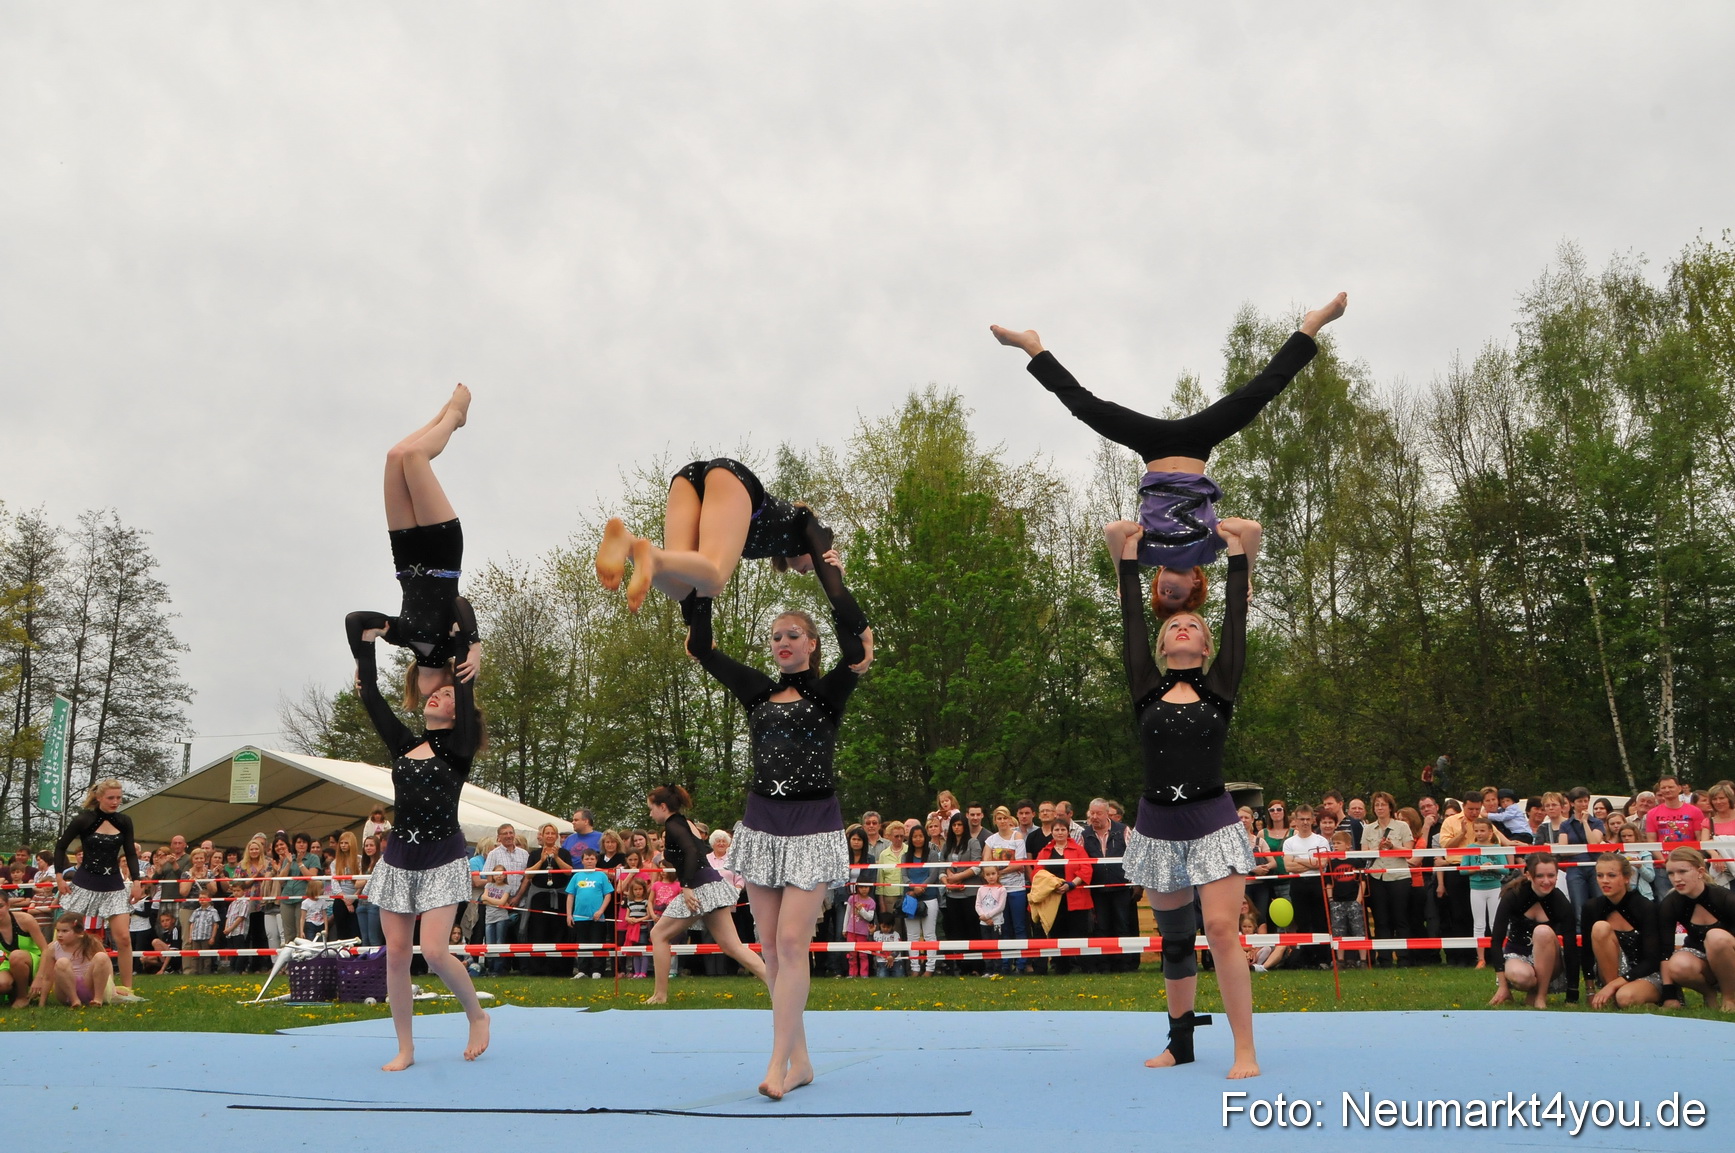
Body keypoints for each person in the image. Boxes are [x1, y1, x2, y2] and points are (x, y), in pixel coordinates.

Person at [991, 294, 1343, 614]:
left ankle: (1032, 347)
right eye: (1176, 595)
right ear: (1195, 584)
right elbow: (1250, 528)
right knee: (1262, 390)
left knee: (1084, 405)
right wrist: (1244, 576)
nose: (1167, 588)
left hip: (1152, 447)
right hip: (1197, 443)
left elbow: (1115, 529)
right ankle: (1310, 327)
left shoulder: (1146, 552)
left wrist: (1122, 575)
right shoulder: (1210, 548)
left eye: (1161, 593)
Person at [686, 548, 872, 1100]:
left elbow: (859, 643)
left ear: (812, 644)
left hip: (813, 826)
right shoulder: (758, 692)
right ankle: (804, 1061)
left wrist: (827, 573)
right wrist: (701, 587)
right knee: (770, 947)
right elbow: (701, 648)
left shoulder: (829, 690)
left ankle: (776, 1064)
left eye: (793, 634)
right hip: (762, 826)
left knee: (792, 942)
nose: (783, 642)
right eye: (775, 637)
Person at [1108, 512, 1264, 1076]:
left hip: (1212, 821)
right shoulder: (1145, 687)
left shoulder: (1220, 687)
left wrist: (1237, 555)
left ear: (1203, 646)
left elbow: (1236, 623)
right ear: (1161, 642)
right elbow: (1129, 615)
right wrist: (1128, 557)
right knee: (1174, 939)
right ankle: (1181, 1042)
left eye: (1194, 627)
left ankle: (1244, 1047)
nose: (1184, 628)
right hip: (1156, 826)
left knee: (1221, 929)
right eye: (1176, 625)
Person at [348, 597, 490, 1071]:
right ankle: (406, 1047)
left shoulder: (460, 749)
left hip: (442, 857)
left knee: (432, 951)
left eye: (449, 694)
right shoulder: (405, 746)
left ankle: (476, 1015)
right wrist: (365, 654)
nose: (439, 695)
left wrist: (470, 647)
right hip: (397, 860)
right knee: (394, 956)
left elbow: (459, 604)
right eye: (436, 692)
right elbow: (371, 699)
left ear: (458, 711)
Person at [346, 384, 483, 706]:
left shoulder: (400, 637)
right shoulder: (452, 647)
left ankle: (447, 414)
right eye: (438, 696)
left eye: (422, 700)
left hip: (406, 554)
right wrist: (474, 646)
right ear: (450, 681)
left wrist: (363, 664)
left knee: (396, 456)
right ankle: (452, 417)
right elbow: (461, 606)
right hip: (441, 552)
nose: (429, 698)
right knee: (415, 456)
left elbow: (356, 620)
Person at [598, 458, 851, 615]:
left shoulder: (779, 543)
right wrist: (863, 634)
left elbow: (696, 588)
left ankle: (628, 544)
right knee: (715, 578)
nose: (809, 570)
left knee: (680, 586)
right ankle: (653, 558)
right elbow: (835, 590)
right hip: (730, 480)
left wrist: (697, 634)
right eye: (815, 563)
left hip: (691, 481)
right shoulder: (806, 525)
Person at [644, 786, 766, 1003]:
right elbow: (696, 851)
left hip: (699, 887)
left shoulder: (673, 825)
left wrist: (687, 885)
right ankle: (779, 985)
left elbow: (691, 852)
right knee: (732, 946)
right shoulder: (685, 822)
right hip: (710, 883)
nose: (650, 813)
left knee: (658, 935)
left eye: (651, 808)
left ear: (663, 806)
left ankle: (660, 995)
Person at [53, 779, 144, 1003]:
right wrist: (59, 877)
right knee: (65, 935)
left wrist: (136, 881)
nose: (115, 802)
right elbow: (61, 846)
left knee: (123, 937)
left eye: (119, 798)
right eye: (111, 798)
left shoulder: (125, 821)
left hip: (113, 883)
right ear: (99, 798)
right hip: (84, 883)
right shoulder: (84, 819)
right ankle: (57, 981)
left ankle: (127, 988)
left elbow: (130, 852)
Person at [1489, 853, 1579, 1010]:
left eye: (1551, 875)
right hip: (1518, 954)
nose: (1546, 881)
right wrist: (1503, 986)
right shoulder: (1513, 896)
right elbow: (1496, 941)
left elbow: (1571, 947)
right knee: (1521, 976)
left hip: (1550, 960)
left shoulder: (1561, 902)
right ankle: (1532, 991)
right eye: (1540, 876)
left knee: (1542, 931)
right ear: (1528, 875)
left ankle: (1540, 997)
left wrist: (1572, 993)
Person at [1656, 847, 1735, 1011]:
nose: (1676, 878)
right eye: (1671, 873)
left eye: (1683, 871)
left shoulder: (1725, 898)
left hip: (1730, 955)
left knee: (1716, 937)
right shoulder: (1671, 903)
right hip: (1701, 957)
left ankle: (1730, 998)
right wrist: (1669, 995)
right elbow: (1665, 952)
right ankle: (1709, 995)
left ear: (1700, 871)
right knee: (1677, 964)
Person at [1582, 853, 1663, 1009]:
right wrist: (1590, 990)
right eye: (1600, 875)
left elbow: (1653, 960)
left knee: (1624, 998)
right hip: (1610, 975)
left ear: (1627, 878)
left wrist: (1613, 985)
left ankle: (1645, 1002)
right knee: (1600, 927)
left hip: (1646, 974)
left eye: (1611, 875)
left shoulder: (1645, 907)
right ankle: (1612, 997)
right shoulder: (1591, 907)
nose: (1604, 880)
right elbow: (1586, 952)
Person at [1361, 792, 1412, 968]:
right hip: (1376, 876)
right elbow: (1363, 854)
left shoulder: (1402, 826)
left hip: (1399, 876)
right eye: (1377, 805)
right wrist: (1378, 848)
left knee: (1400, 918)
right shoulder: (1368, 828)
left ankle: (1404, 958)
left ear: (1390, 807)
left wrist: (1393, 847)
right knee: (1381, 919)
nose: (1380, 808)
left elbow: (1409, 852)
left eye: (1383, 804)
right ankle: (1384, 959)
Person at [520, 824, 575, 976]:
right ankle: (538, 969)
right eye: (547, 833)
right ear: (542, 836)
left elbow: (568, 872)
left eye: (553, 833)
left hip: (559, 896)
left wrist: (556, 857)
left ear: (556, 836)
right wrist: (542, 860)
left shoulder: (564, 852)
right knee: (539, 932)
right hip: (540, 897)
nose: (550, 836)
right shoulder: (535, 853)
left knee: (560, 932)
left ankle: (560, 969)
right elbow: (528, 875)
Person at [1459, 819, 1512, 969]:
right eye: (1476, 830)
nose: (1479, 833)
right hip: (1476, 889)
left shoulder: (1497, 847)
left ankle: (1500, 956)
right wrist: (1478, 868)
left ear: (1490, 832)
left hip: (1494, 888)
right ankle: (1481, 958)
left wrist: (1493, 867)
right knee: (1479, 924)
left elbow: (1505, 869)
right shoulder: (1470, 848)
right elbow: (1463, 870)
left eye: (1482, 830)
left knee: (1495, 923)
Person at [34, 913, 112, 1007]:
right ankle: (74, 1000)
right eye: (58, 931)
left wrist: (113, 988)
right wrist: (42, 1003)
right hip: (65, 990)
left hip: (88, 984)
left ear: (78, 932)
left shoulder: (91, 942)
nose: (59, 935)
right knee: (62, 962)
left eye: (64, 931)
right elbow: (48, 977)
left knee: (102, 956)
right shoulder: (53, 947)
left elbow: (106, 965)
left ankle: (98, 999)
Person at [564, 848, 615, 979]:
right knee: (582, 944)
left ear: (596, 860)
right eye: (587, 858)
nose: (589, 861)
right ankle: (582, 970)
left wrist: (600, 911)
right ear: (582, 861)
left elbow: (608, 895)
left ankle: (597, 970)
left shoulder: (601, 875)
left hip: (598, 918)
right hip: (579, 917)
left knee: (597, 943)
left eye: (592, 859)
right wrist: (569, 915)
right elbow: (570, 896)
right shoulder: (576, 876)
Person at [901, 823, 942, 977]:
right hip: (910, 898)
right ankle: (915, 968)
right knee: (912, 935)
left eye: (920, 836)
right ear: (910, 839)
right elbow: (904, 875)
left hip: (929, 897)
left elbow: (933, 874)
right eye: (915, 836)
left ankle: (930, 968)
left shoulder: (932, 854)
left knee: (929, 934)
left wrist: (921, 887)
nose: (918, 839)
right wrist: (912, 887)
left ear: (925, 838)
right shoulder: (906, 856)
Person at [1325, 831, 1366, 969]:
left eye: (1338, 843)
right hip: (1337, 902)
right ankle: (1340, 960)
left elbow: (1363, 881)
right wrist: (1331, 900)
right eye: (1333, 843)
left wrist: (1358, 900)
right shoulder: (1332, 863)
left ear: (1348, 845)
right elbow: (1328, 882)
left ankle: (1363, 960)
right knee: (1338, 931)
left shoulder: (1356, 860)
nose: (1335, 846)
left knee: (1359, 930)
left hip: (1353, 900)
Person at [0, 897, 46, 1006]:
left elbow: (45, 949)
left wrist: (40, 977)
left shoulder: (25, 920)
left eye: (0, 906)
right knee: (2, 984)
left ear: (8, 905)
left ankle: (22, 997)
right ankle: (13, 992)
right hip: (9, 962)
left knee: (16, 955)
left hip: (35, 960)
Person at [1644, 776, 1707, 852]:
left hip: (1690, 858)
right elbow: (1652, 842)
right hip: (1663, 860)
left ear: (1679, 788)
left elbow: (1700, 839)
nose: (1667, 790)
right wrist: (1664, 862)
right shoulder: (1651, 813)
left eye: (1671, 787)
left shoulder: (1695, 811)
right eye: (1663, 788)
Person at [843, 883, 875, 978]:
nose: (864, 889)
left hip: (862, 932)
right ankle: (852, 973)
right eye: (861, 887)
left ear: (870, 888)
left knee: (863, 954)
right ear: (857, 888)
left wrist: (861, 910)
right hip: (851, 930)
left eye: (866, 887)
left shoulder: (871, 902)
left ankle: (864, 974)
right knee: (852, 954)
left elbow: (869, 917)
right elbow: (847, 914)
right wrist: (845, 928)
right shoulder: (852, 898)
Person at [872, 909, 903, 977]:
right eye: (883, 927)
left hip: (896, 961)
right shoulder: (876, 934)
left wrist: (892, 956)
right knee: (882, 976)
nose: (886, 929)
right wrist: (871, 934)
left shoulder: (896, 934)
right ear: (879, 925)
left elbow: (898, 947)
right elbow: (870, 945)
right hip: (881, 962)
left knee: (899, 976)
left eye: (888, 927)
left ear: (892, 926)